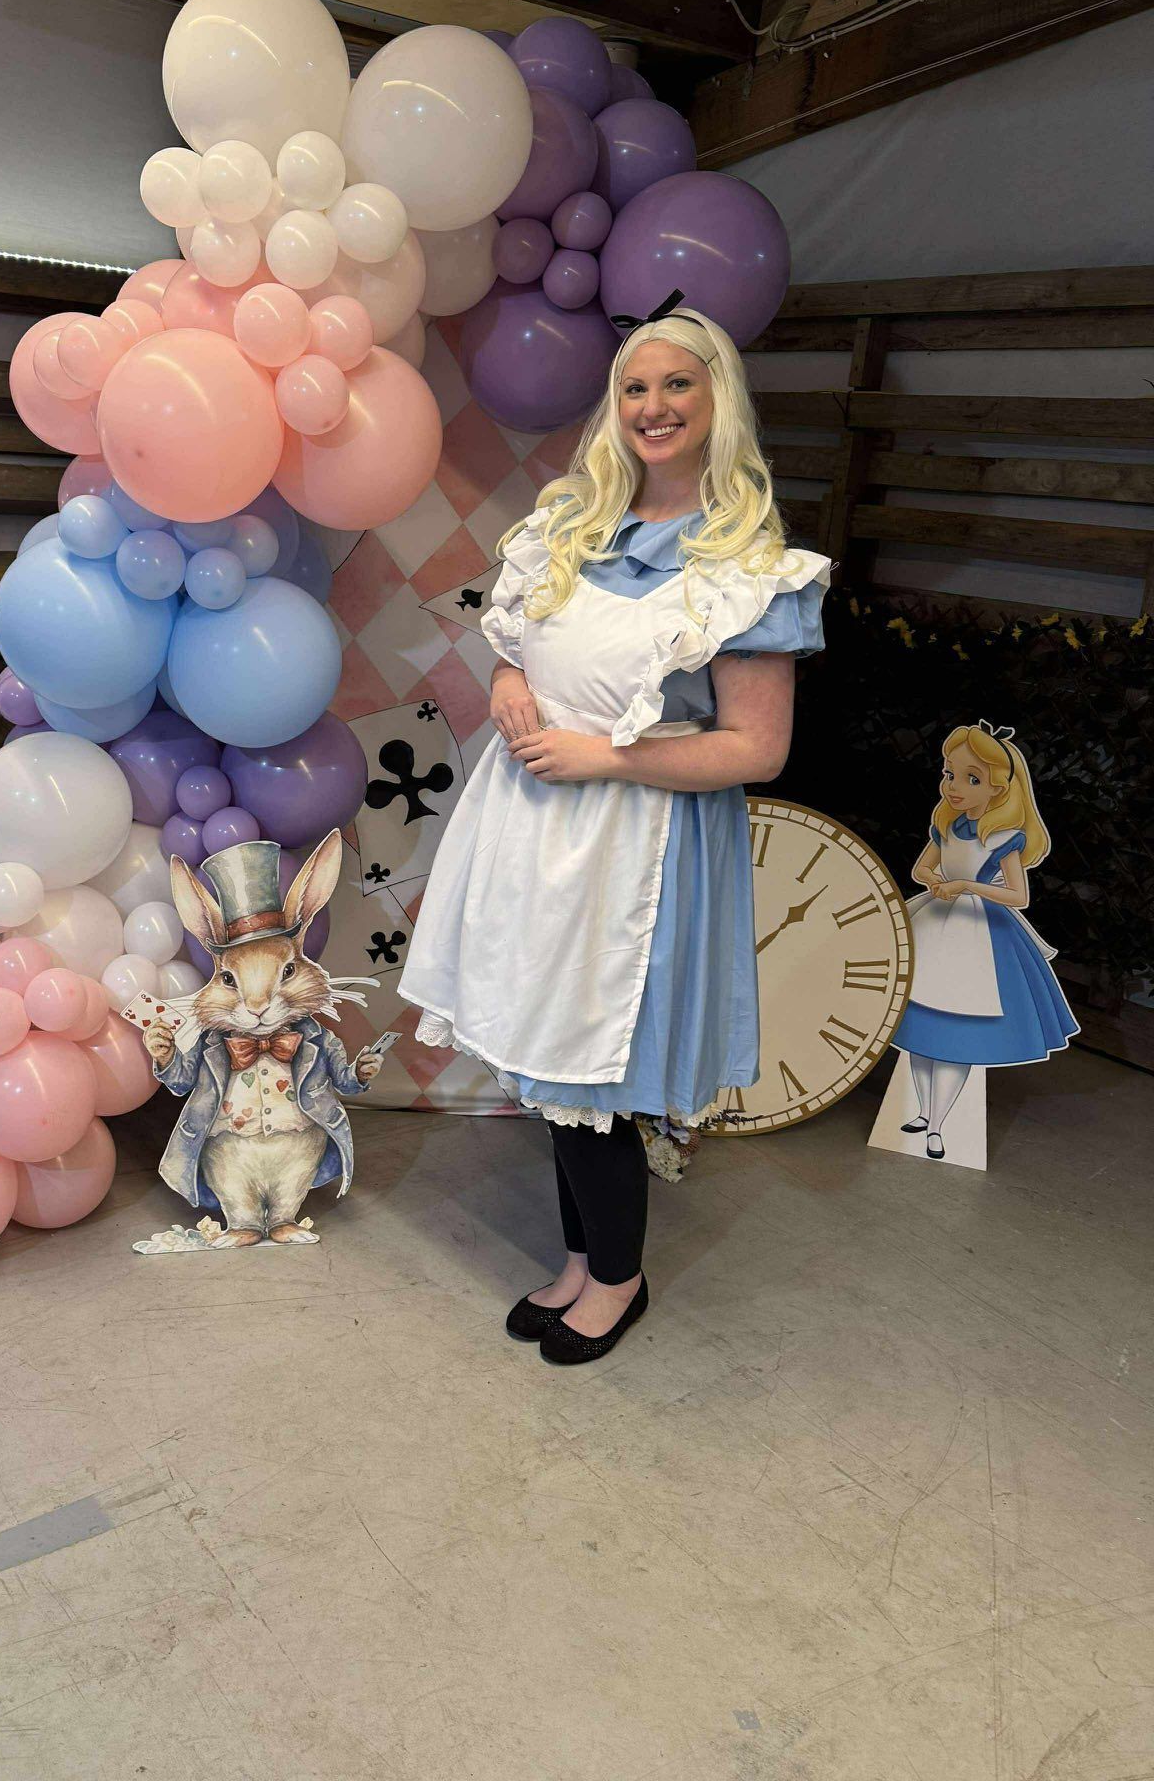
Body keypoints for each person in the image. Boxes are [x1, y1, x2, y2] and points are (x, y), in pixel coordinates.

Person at [400, 308, 830, 1366]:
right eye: (636, 388)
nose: (654, 407)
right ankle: (584, 1260)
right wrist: (508, 686)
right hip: (531, 830)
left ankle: (619, 1276)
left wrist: (609, 757)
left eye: (679, 385)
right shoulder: (569, 524)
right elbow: (516, 647)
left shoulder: (746, 566)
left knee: (591, 1078)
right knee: (548, 1069)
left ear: (717, 401)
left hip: (637, 852)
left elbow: (756, 748)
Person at [892, 721, 1076, 1159]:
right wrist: (934, 879)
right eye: (949, 773)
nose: (954, 786)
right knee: (918, 1027)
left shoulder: (1003, 838)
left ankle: (938, 1126)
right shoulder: (947, 825)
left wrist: (969, 887)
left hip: (979, 933)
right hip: (935, 916)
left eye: (971, 778)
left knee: (960, 1022)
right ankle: (922, 1111)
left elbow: (1019, 895)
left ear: (997, 788)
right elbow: (921, 868)